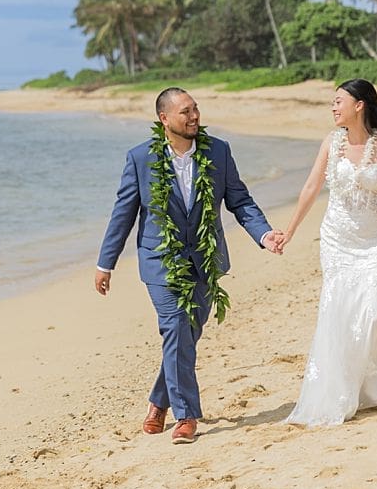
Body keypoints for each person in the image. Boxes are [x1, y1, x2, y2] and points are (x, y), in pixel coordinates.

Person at [95, 87, 286, 444]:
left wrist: (263, 235)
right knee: (176, 326)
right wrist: (106, 263)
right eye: (185, 111)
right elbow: (123, 213)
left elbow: (239, 200)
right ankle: (186, 416)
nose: (194, 116)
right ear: (164, 119)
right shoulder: (141, 159)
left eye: (196, 109)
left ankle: (158, 401)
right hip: (159, 261)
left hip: (204, 260)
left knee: (186, 333)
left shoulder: (218, 151)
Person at [277, 78, 377, 427]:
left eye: (339, 101)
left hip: (376, 240)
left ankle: (375, 386)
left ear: (359, 105)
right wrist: (288, 232)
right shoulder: (331, 144)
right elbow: (310, 187)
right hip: (337, 240)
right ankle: (341, 385)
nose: (333, 108)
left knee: (373, 311)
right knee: (338, 310)